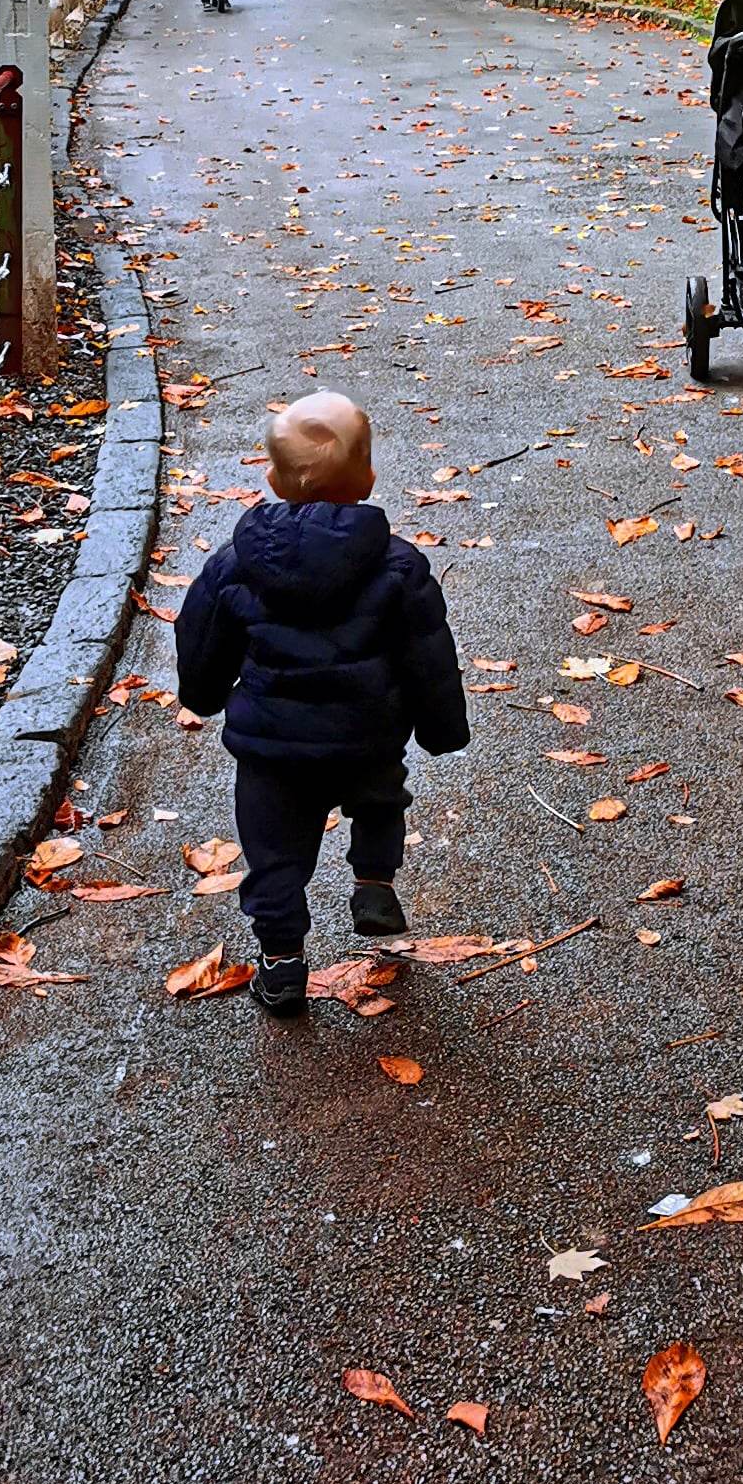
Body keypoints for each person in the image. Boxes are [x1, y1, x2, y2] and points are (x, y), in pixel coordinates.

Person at [172, 389, 470, 1018]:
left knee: (273, 853)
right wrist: (441, 729)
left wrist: (202, 695)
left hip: (272, 751)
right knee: (381, 800)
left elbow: (201, 640)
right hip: (367, 734)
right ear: (367, 479)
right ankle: (374, 884)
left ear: (274, 481)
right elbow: (427, 655)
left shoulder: (235, 566)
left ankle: (282, 964)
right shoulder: (397, 566)